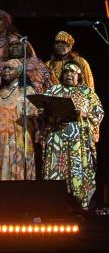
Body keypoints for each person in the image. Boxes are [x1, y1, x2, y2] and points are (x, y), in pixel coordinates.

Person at [42, 62, 104, 209]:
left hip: (79, 138)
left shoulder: (87, 92)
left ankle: (79, 203)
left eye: (72, 72)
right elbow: (44, 110)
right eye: (66, 72)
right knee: (55, 168)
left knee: (78, 168)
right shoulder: (53, 90)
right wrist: (43, 113)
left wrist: (85, 113)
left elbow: (99, 113)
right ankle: (54, 203)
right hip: (57, 136)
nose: (68, 75)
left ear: (79, 76)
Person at [0, 59, 38, 200]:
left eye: (10, 68)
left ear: (19, 73)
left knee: (15, 166)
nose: (6, 71)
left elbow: (35, 113)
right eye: (5, 68)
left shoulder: (26, 91)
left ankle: (18, 197)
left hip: (16, 138)